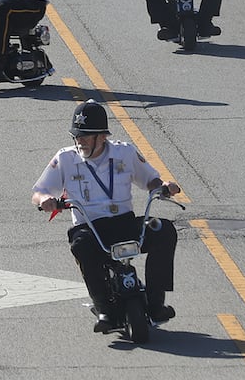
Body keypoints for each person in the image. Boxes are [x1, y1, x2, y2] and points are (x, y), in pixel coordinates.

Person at [31, 100, 179, 333]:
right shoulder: (66, 158)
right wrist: (45, 201)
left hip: (124, 222)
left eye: (86, 136)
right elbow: (39, 192)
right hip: (90, 226)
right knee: (81, 245)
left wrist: (163, 187)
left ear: (102, 136)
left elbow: (150, 179)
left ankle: (156, 301)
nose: (80, 141)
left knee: (164, 229)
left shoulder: (125, 152)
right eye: (77, 136)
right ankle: (104, 309)